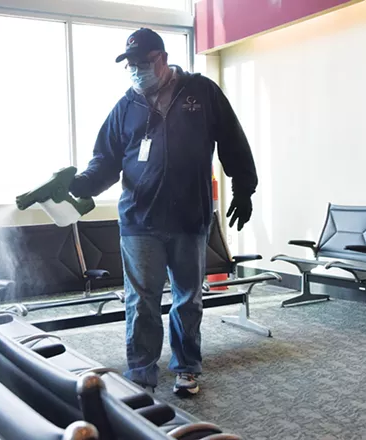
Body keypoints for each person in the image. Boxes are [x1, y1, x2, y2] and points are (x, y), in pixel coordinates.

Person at [69, 28, 257, 397]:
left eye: (144, 63)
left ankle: (187, 368)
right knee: (142, 301)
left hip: (190, 217)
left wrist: (244, 188)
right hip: (140, 221)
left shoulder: (201, 93)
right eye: (132, 66)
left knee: (188, 298)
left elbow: (233, 140)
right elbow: (105, 159)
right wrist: (84, 184)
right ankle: (141, 372)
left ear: (163, 58)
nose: (138, 70)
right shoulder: (126, 107)